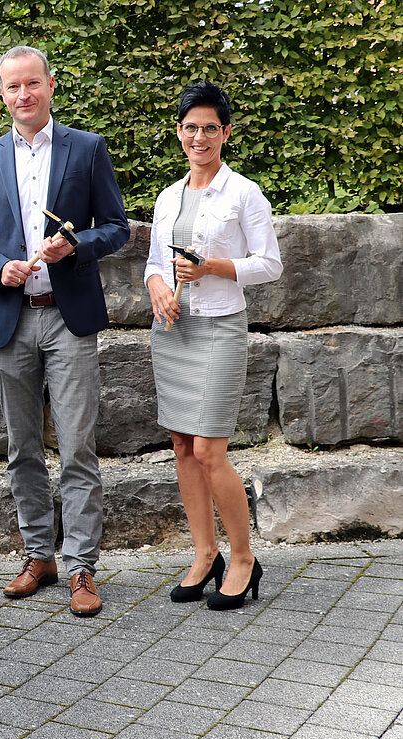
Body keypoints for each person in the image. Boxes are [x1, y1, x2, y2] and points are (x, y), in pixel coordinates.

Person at [0, 46, 129, 617]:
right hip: (11, 316)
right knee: (22, 447)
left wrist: (75, 244)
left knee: (78, 448)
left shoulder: (86, 147)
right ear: (1, 94)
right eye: (12, 88)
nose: (23, 95)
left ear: (50, 85)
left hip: (69, 317)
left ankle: (81, 569)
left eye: (32, 84)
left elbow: (119, 228)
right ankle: (37, 555)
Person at [144, 81, 282, 610]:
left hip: (222, 328)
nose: (199, 137)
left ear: (225, 132)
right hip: (174, 330)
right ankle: (205, 554)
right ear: (179, 132)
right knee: (181, 445)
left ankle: (244, 558)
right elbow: (157, 261)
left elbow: (269, 264)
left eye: (209, 128)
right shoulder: (168, 196)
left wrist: (214, 269)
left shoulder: (244, 193)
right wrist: (158, 286)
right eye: (190, 127)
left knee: (209, 449)